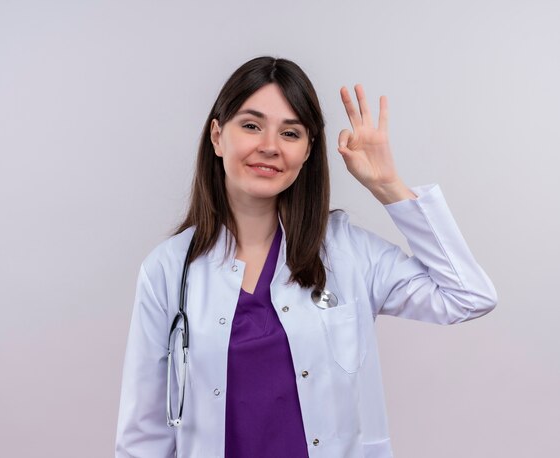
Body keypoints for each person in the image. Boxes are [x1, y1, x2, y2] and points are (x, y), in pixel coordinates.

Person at [115, 56, 497, 458]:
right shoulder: (169, 269)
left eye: (291, 133)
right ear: (216, 136)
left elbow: (468, 296)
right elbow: (143, 436)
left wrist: (389, 186)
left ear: (308, 150)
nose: (269, 146)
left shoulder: (348, 254)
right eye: (251, 125)